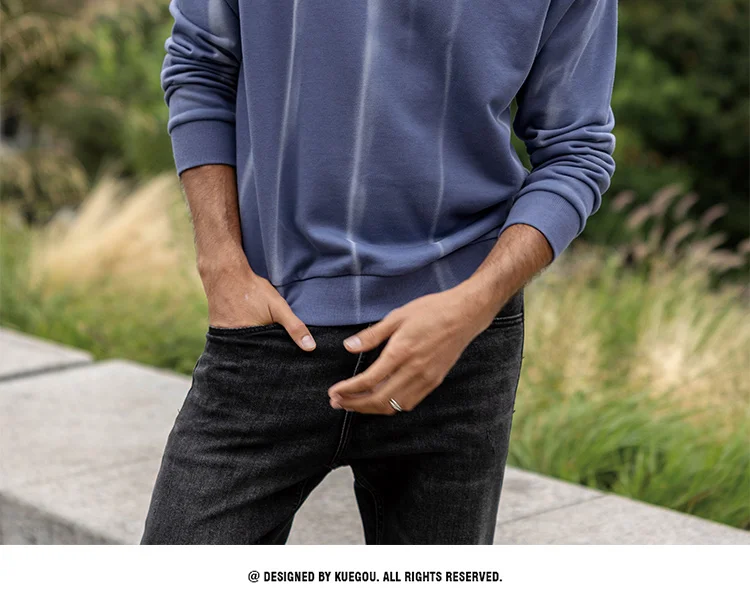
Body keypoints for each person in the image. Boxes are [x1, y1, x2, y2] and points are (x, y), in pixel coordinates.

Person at [141, 0, 617, 545]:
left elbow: (577, 150)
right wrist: (220, 264)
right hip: (272, 329)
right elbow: (200, 64)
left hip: (456, 350)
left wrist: (473, 306)